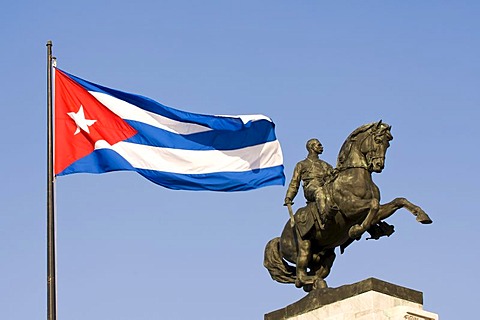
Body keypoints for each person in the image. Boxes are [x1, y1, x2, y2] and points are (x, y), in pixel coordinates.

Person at [284, 138, 334, 230]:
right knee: (320, 191)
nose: (321, 147)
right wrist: (289, 197)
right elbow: (295, 182)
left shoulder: (326, 165)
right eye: (319, 145)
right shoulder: (301, 164)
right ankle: (324, 218)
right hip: (311, 188)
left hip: (325, 186)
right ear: (311, 147)